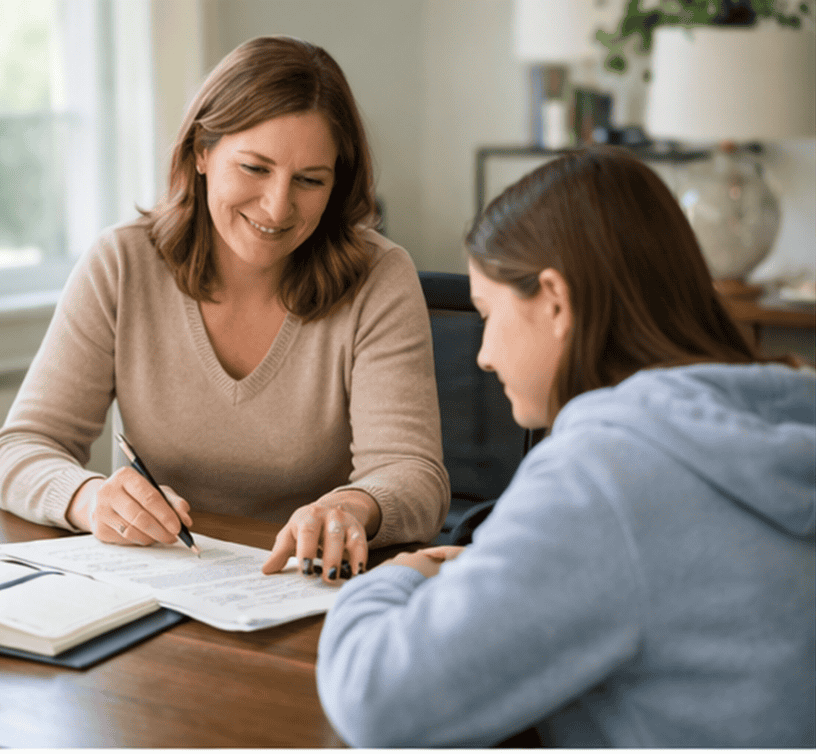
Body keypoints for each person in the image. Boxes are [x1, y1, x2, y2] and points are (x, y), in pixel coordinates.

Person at [315, 146, 815, 747]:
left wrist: (402, 573)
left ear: (554, 298)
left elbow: (376, 700)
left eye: (487, 313)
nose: (483, 354)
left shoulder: (607, 473)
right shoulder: (781, 410)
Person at [0, 35, 449, 582]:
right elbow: (20, 450)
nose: (278, 207)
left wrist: (351, 507)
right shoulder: (122, 263)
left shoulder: (379, 276)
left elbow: (415, 477)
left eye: (310, 180)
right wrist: (90, 499)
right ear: (201, 153)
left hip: (307, 589)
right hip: (158, 587)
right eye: (254, 168)